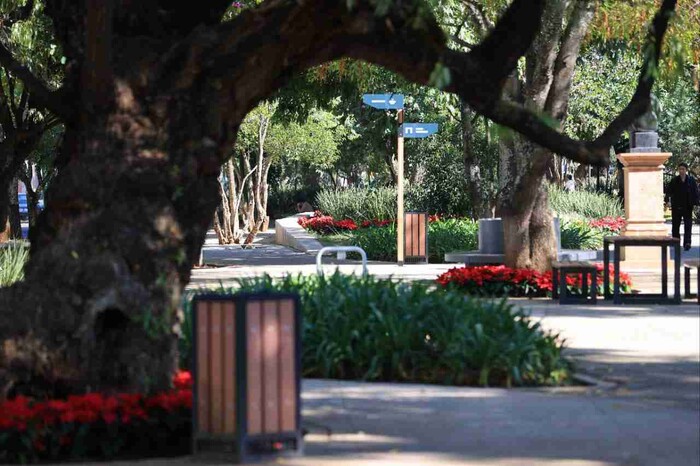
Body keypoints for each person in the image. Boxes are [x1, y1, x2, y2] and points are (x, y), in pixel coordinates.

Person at [665, 163, 699, 251]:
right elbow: (668, 191)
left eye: (683, 169)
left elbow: (695, 192)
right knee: (675, 226)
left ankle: (687, 243)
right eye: (680, 169)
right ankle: (676, 242)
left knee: (688, 225)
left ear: (686, 170)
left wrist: (695, 203)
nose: (681, 171)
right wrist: (667, 201)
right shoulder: (674, 180)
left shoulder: (691, 180)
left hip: (687, 206)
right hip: (676, 206)